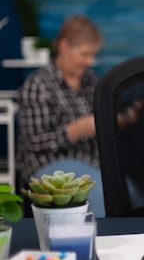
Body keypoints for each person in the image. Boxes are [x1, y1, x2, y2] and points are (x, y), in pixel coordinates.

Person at [16, 14, 106, 217]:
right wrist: (75, 130)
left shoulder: (91, 80)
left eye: (93, 55)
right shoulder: (38, 84)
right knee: (98, 192)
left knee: (128, 190)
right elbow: (35, 143)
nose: (89, 61)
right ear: (64, 46)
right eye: (84, 54)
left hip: (89, 162)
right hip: (49, 164)